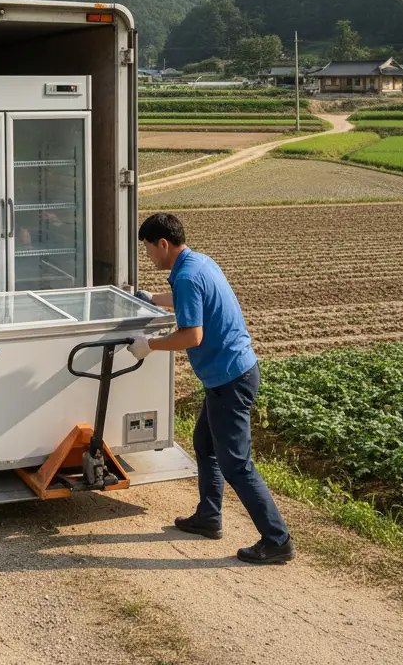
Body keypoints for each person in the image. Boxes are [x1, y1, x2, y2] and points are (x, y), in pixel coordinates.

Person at [128, 212, 295, 565]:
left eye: (148, 250)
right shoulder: (198, 263)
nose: (149, 257)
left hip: (229, 380)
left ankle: (277, 539)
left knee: (236, 464)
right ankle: (209, 517)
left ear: (163, 244)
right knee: (204, 445)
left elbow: (192, 335)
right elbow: (190, 299)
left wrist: (149, 345)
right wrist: (153, 298)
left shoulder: (187, 276)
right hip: (233, 372)